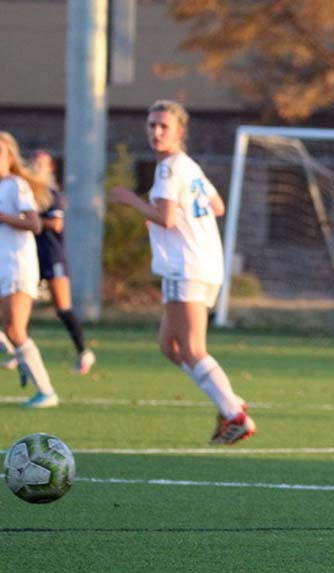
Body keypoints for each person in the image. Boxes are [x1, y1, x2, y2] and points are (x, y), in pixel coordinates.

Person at [109, 99, 255, 445]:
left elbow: (168, 218)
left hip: (185, 265)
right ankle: (229, 401)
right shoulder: (189, 166)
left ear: (180, 131)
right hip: (202, 264)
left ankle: (235, 414)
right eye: (152, 126)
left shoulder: (169, 168)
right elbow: (216, 206)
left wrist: (131, 200)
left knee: (190, 349)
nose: (156, 132)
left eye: (164, 126)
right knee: (169, 346)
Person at [0, 150, 96, 375]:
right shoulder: (22, 189)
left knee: (62, 307)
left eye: (41, 163)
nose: (36, 166)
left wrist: (19, 219)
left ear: (51, 168)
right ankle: (20, 352)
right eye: (33, 162)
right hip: (27, 255)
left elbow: (55, 224)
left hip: (51, 255)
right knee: (17, 311)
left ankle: (83, 351)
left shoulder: (50, 194)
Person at [0, 131, 60, 407]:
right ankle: (22, 359)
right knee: (12, 331)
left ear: (10, 158)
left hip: (17, 265)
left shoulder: (17, 186)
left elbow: (34, 224)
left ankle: (46, 392)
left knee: (16, 330)